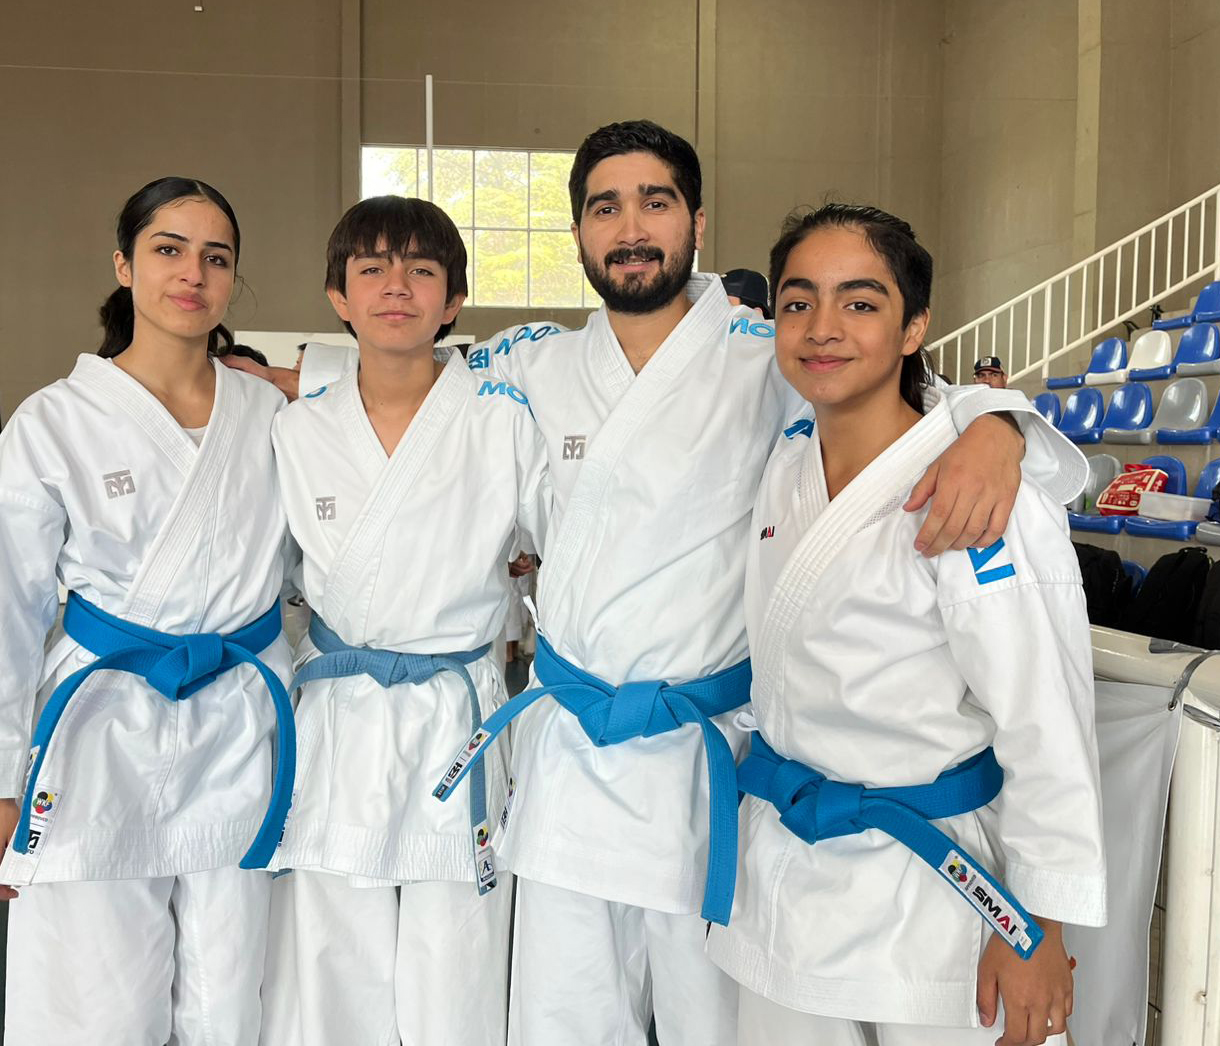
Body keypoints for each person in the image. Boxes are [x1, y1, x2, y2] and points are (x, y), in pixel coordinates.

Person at [240, 120, 1088, 1045]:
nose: (632, 227)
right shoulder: (530, 361)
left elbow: (897, 397)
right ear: (577, 232)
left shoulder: (770, 349)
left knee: (713, 1021)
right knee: (562, 1021)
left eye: (656, 202)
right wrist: (258, 379)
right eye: (606, 207)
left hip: (706, 755)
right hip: (570, 755)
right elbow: (398, 370)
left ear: (697, 221)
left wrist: (996, 423)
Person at [0, 177, 293, 1045]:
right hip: (98, 736)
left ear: (233, 279)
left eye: (215, 257)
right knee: (95, 1001)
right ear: (124, 265)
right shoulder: (58, 421)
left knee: (234, 997)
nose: (192, 273)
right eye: (168, 249)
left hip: (240, 730)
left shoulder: (270, 415)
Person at [707, 203, 1104, 1046]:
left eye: (860, 302)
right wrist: (996, 419)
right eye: (798, 302)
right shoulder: (785, 465)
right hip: (787, 873)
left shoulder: (975, 496)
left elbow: (1046, 722)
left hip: (935, 888)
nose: (823, 328)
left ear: (914, 326)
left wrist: (1039, 925)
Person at [258, 196, 548, 1046]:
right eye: (373, 268)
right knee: (330, 947)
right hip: (340, 712)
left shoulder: (504, 421)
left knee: (456, 953)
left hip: (456, 712)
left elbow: (558, 551)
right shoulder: (298, 431)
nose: (397, 286)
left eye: (422, 270)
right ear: (337, 296)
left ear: (453, 300)